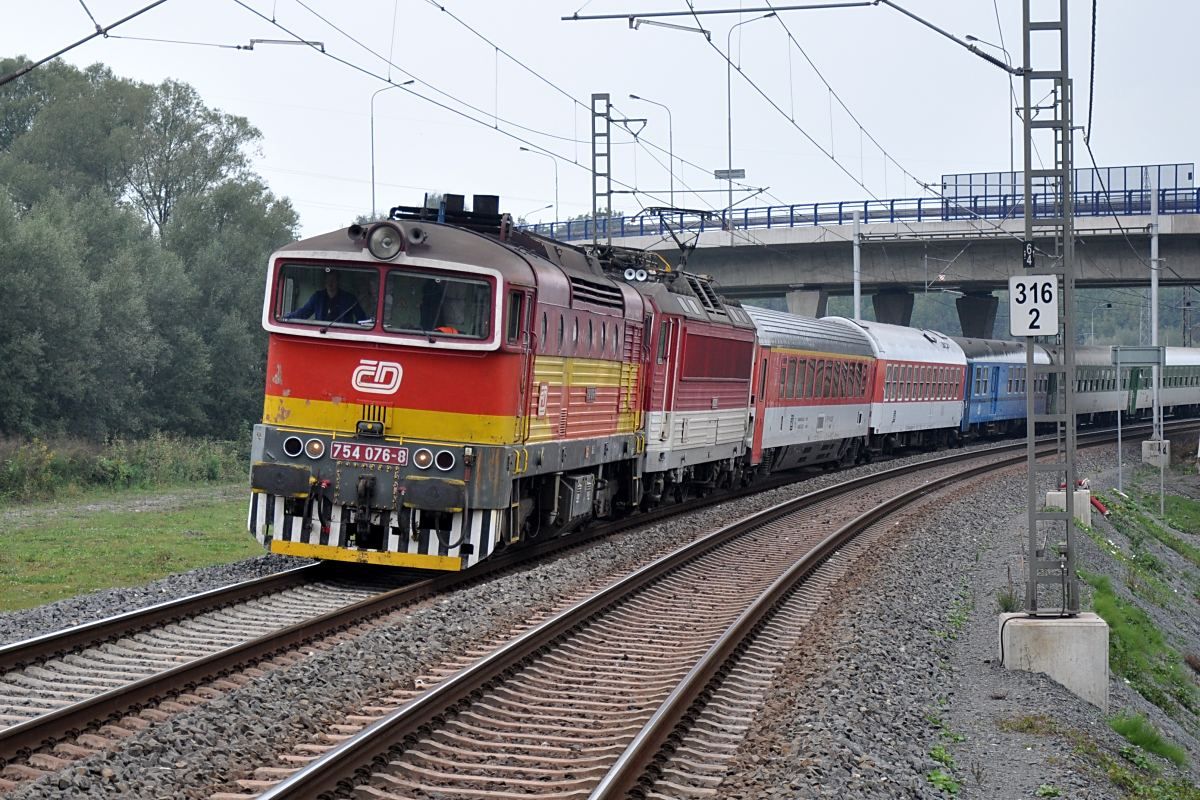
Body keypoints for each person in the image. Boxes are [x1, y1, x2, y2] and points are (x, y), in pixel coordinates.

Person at [286, 269, 368, 324]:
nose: (330, 283)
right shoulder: (318, 297)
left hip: (343, 336)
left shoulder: (349, 298)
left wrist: (352, 332)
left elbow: (362, 319)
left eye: (333, 280)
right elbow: (304, 313)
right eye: (328, 280)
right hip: (322, 334)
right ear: (324, 281)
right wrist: (286, 317)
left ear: (338, 281)